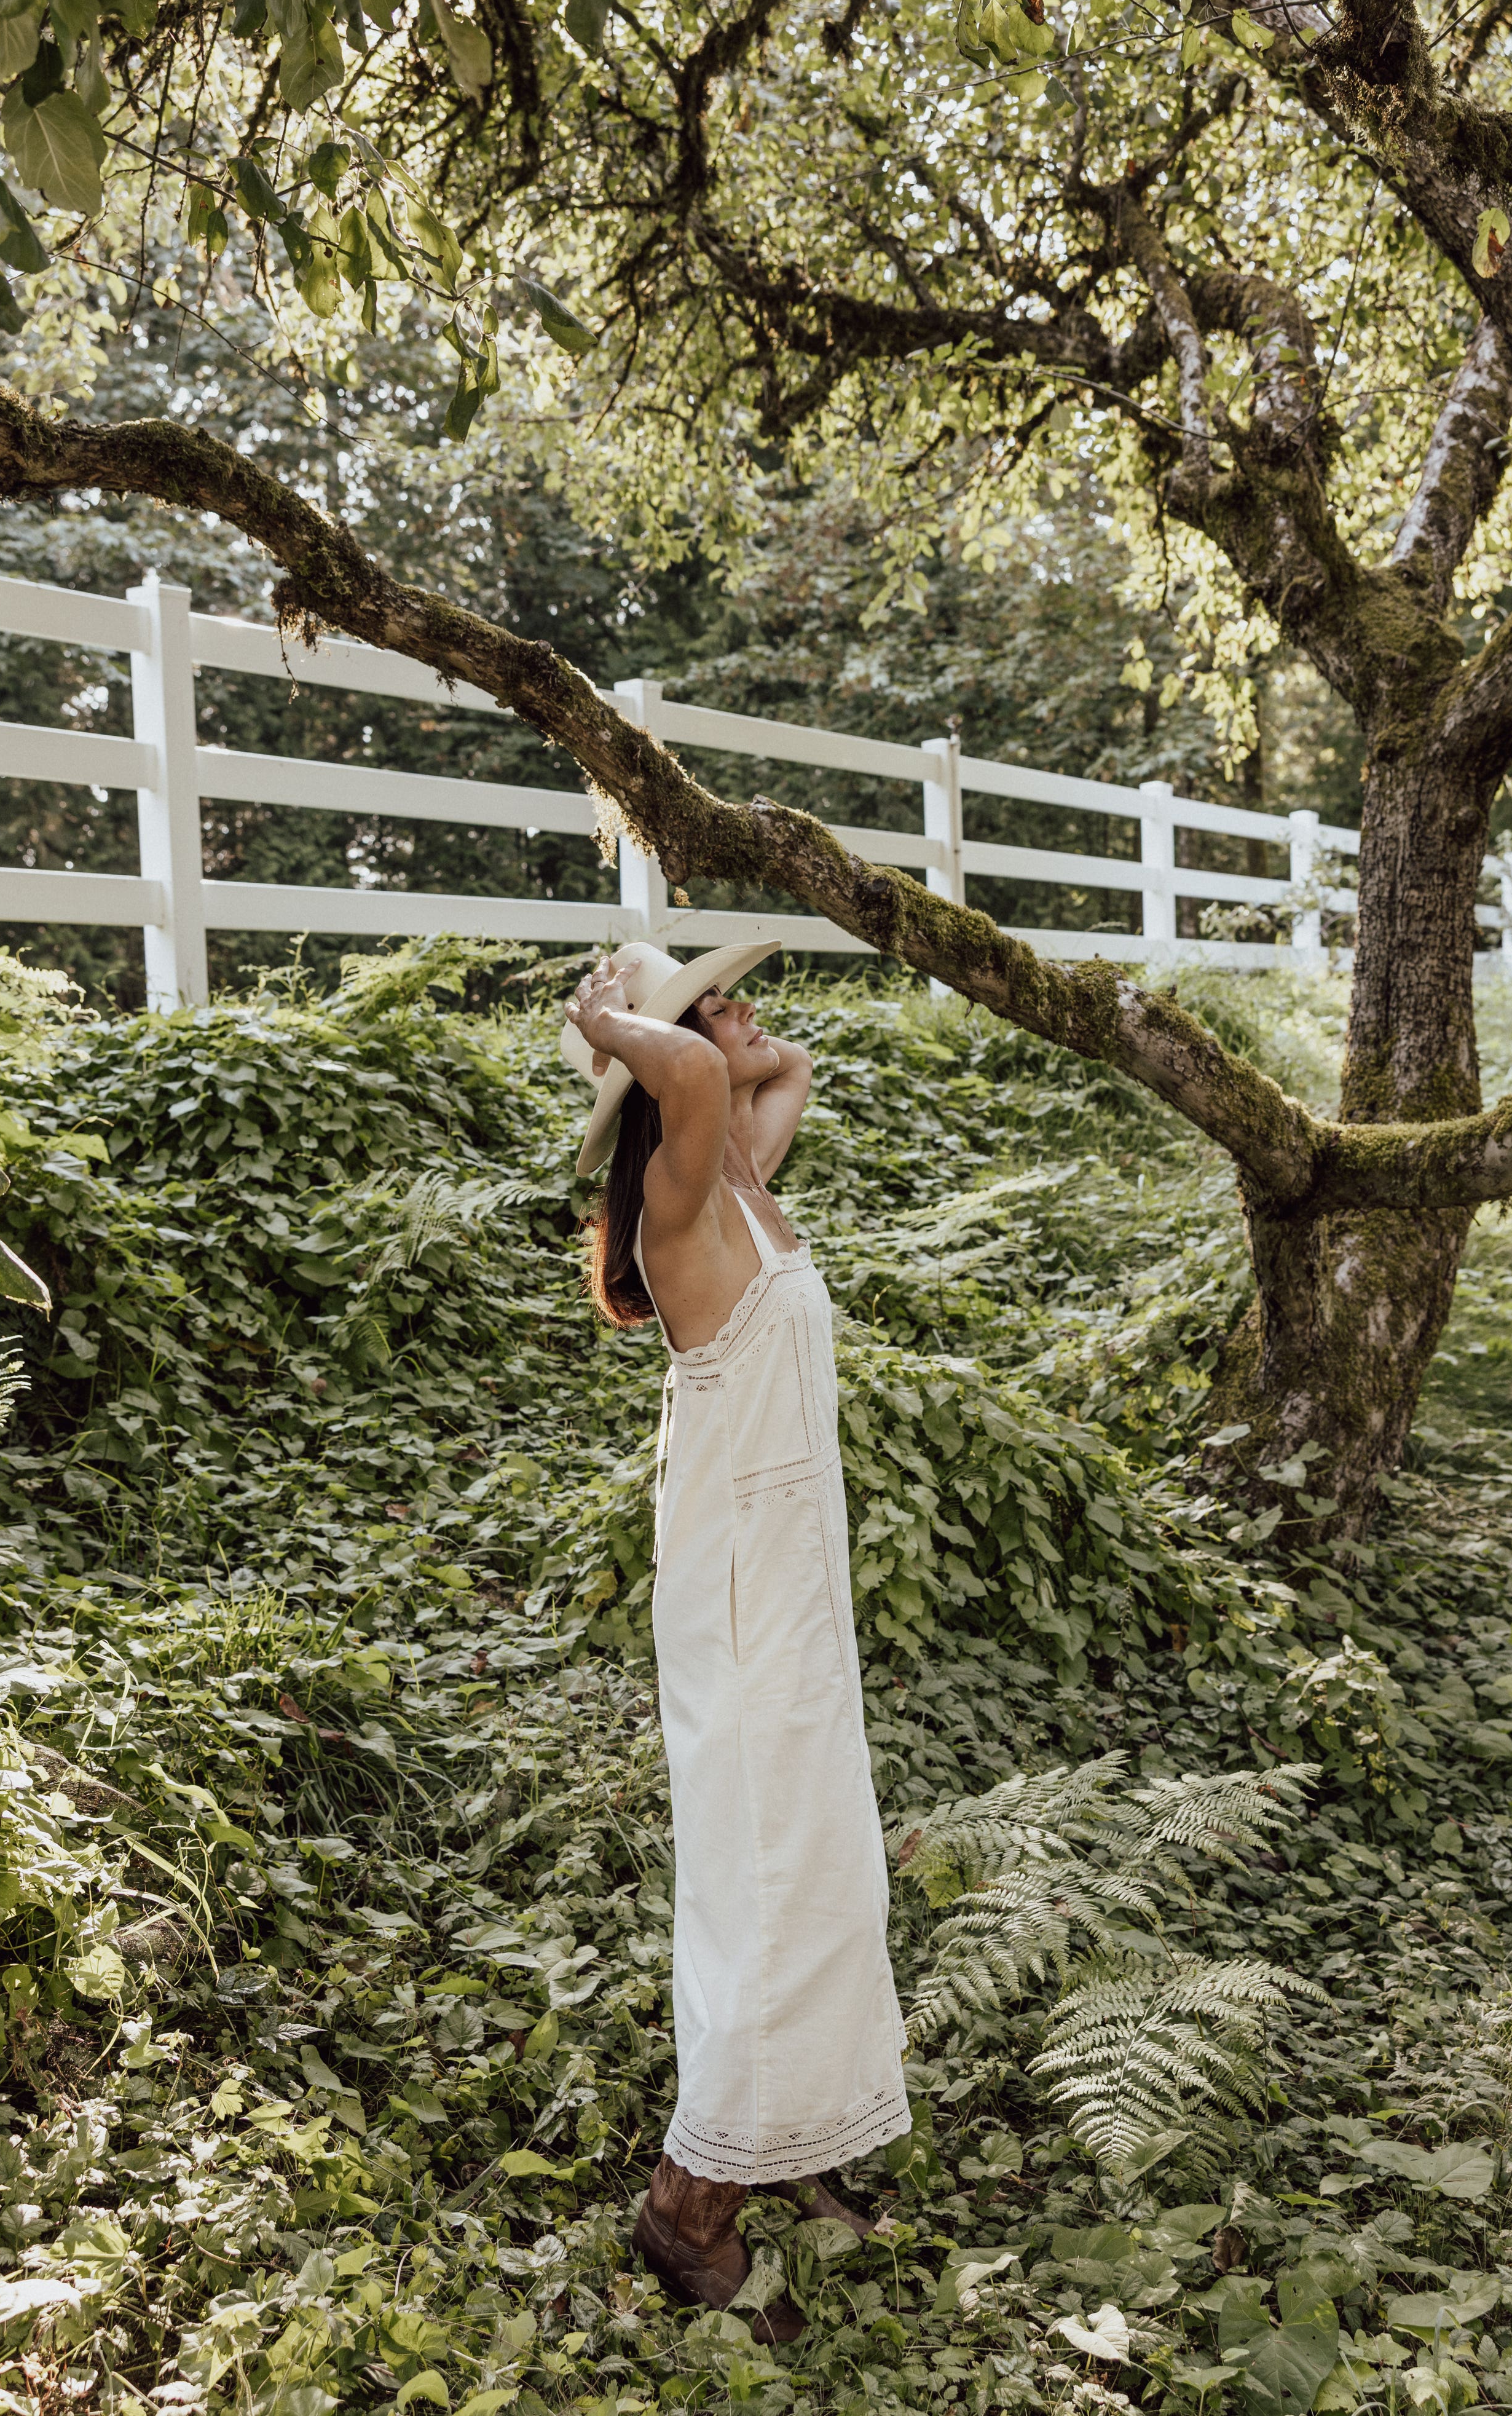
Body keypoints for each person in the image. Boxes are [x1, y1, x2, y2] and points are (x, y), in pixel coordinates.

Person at [561, 941, 910, 2343]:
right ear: (669, 1048)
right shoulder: (675, 1194)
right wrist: (612, 1017)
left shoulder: (743, 1176)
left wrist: (712, 1027)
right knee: (765, 1878)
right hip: (741, 1587)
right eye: (724, 995)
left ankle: (790, 2128)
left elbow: (781, 1070)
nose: (750, 1014)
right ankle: (688, 2203)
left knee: (823, 1857)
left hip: (790, 1564)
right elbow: (705, 1072)